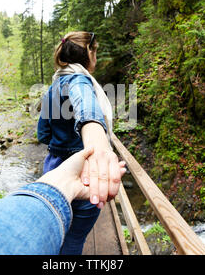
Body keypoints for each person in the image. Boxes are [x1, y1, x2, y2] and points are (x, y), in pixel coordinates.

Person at [37, 31, 119, 255]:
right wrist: (97, 142)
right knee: (73, 239)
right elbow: (87, 107)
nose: (97, 57)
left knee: (56, 233)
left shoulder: (54, 86)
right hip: (83, 173)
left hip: (53, 170)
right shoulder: (79, 80)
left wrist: (61, 140)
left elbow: (43, 134)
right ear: (89, 52)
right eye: (96, 51)